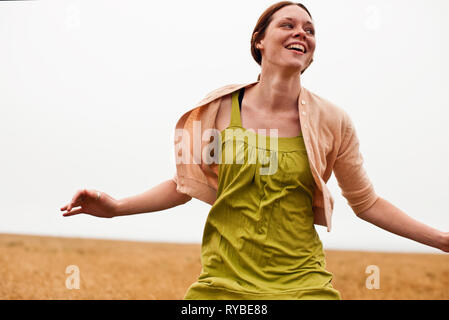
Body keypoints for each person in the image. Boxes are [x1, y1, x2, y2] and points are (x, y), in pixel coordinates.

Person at [60, 2, 449, 300]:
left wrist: (443, 240)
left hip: (303, 284)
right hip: (222, 284)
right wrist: (116, 208)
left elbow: (368, 203)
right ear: (259, 41)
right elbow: (185, 185)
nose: (302, 32)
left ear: (311, 53)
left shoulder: (333, 121)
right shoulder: (215, 111)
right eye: (289, 24)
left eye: (310, 30)